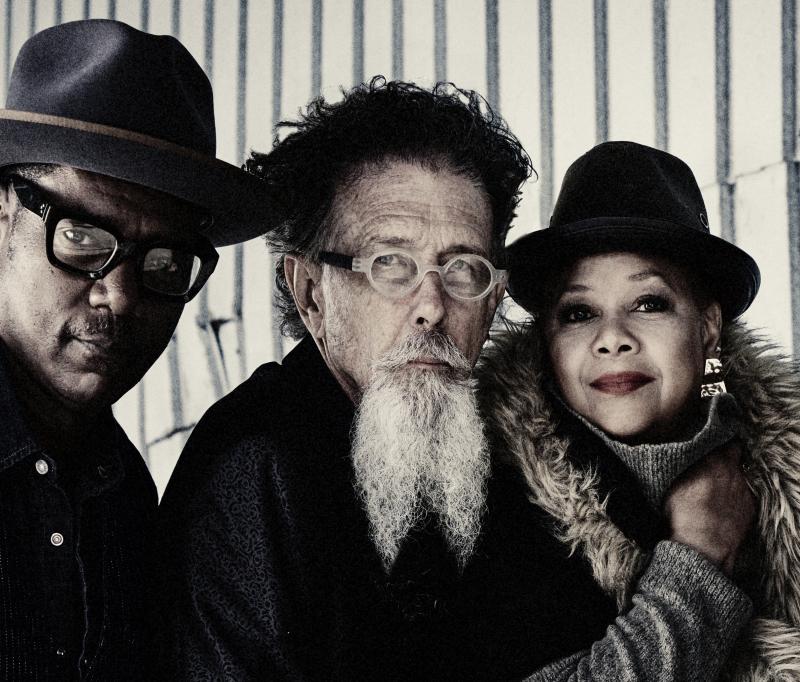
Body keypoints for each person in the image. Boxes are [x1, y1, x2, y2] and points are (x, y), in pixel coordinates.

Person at [156, 81, 754, 681]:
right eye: (390, 265)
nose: (431, 307)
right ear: (311, 292)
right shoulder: (255, 464)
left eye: (463, 268)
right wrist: (696, 565)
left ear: (493, 300)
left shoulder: (469, 452)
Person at [0, 19, 276, 680]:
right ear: (1, 218)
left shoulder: (127, 497)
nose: (120, 298)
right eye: (82, 239)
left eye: (164, 262)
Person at [478, 141, 799, 680]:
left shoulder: (785, 470)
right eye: (579, 312)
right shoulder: (489, 504)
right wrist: (698, 559)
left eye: (649, 303)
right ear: (548, 341)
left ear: (708, 327)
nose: (612, 338)